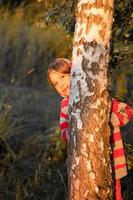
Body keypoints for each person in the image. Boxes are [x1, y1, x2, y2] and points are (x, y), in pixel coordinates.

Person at [47, 58, 133, 200]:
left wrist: (110, 121)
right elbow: (63, 130)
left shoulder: (95, 96)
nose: (60, 84)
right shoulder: (65, 104)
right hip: (84, 162)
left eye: (63, 77)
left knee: (114, 195)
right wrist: (74, 131)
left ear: (74, 73)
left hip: (110, 158)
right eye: (55, 83)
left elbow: (128, 111)